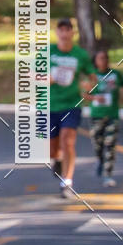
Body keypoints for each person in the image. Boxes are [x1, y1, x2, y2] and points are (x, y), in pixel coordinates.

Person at [49, 18, 95, 198]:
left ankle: (66, 182)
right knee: (52, 148)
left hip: (72, 104)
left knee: (68, 140)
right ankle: (56, 160)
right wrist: (46, 78)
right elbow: (30, 73)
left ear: (72, 33)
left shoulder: (80, 55)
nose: (64, 33)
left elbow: (92, 78)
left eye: (68, 29)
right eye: (61, 29)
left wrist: (87, 87)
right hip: (50, 105)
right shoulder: (48, 52)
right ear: (57, 33)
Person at [89, 48, 122, 187]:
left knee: (110, 144)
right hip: (96, 115)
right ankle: (100, 160)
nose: (103, 60)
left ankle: (108, 174)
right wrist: (95, 97)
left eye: (105, 57)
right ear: (95, 61)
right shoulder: (92, 76)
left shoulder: (116, 74)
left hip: (112, 115)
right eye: (100, 58)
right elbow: (83, 93)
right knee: (98, 145)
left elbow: (121, 91)